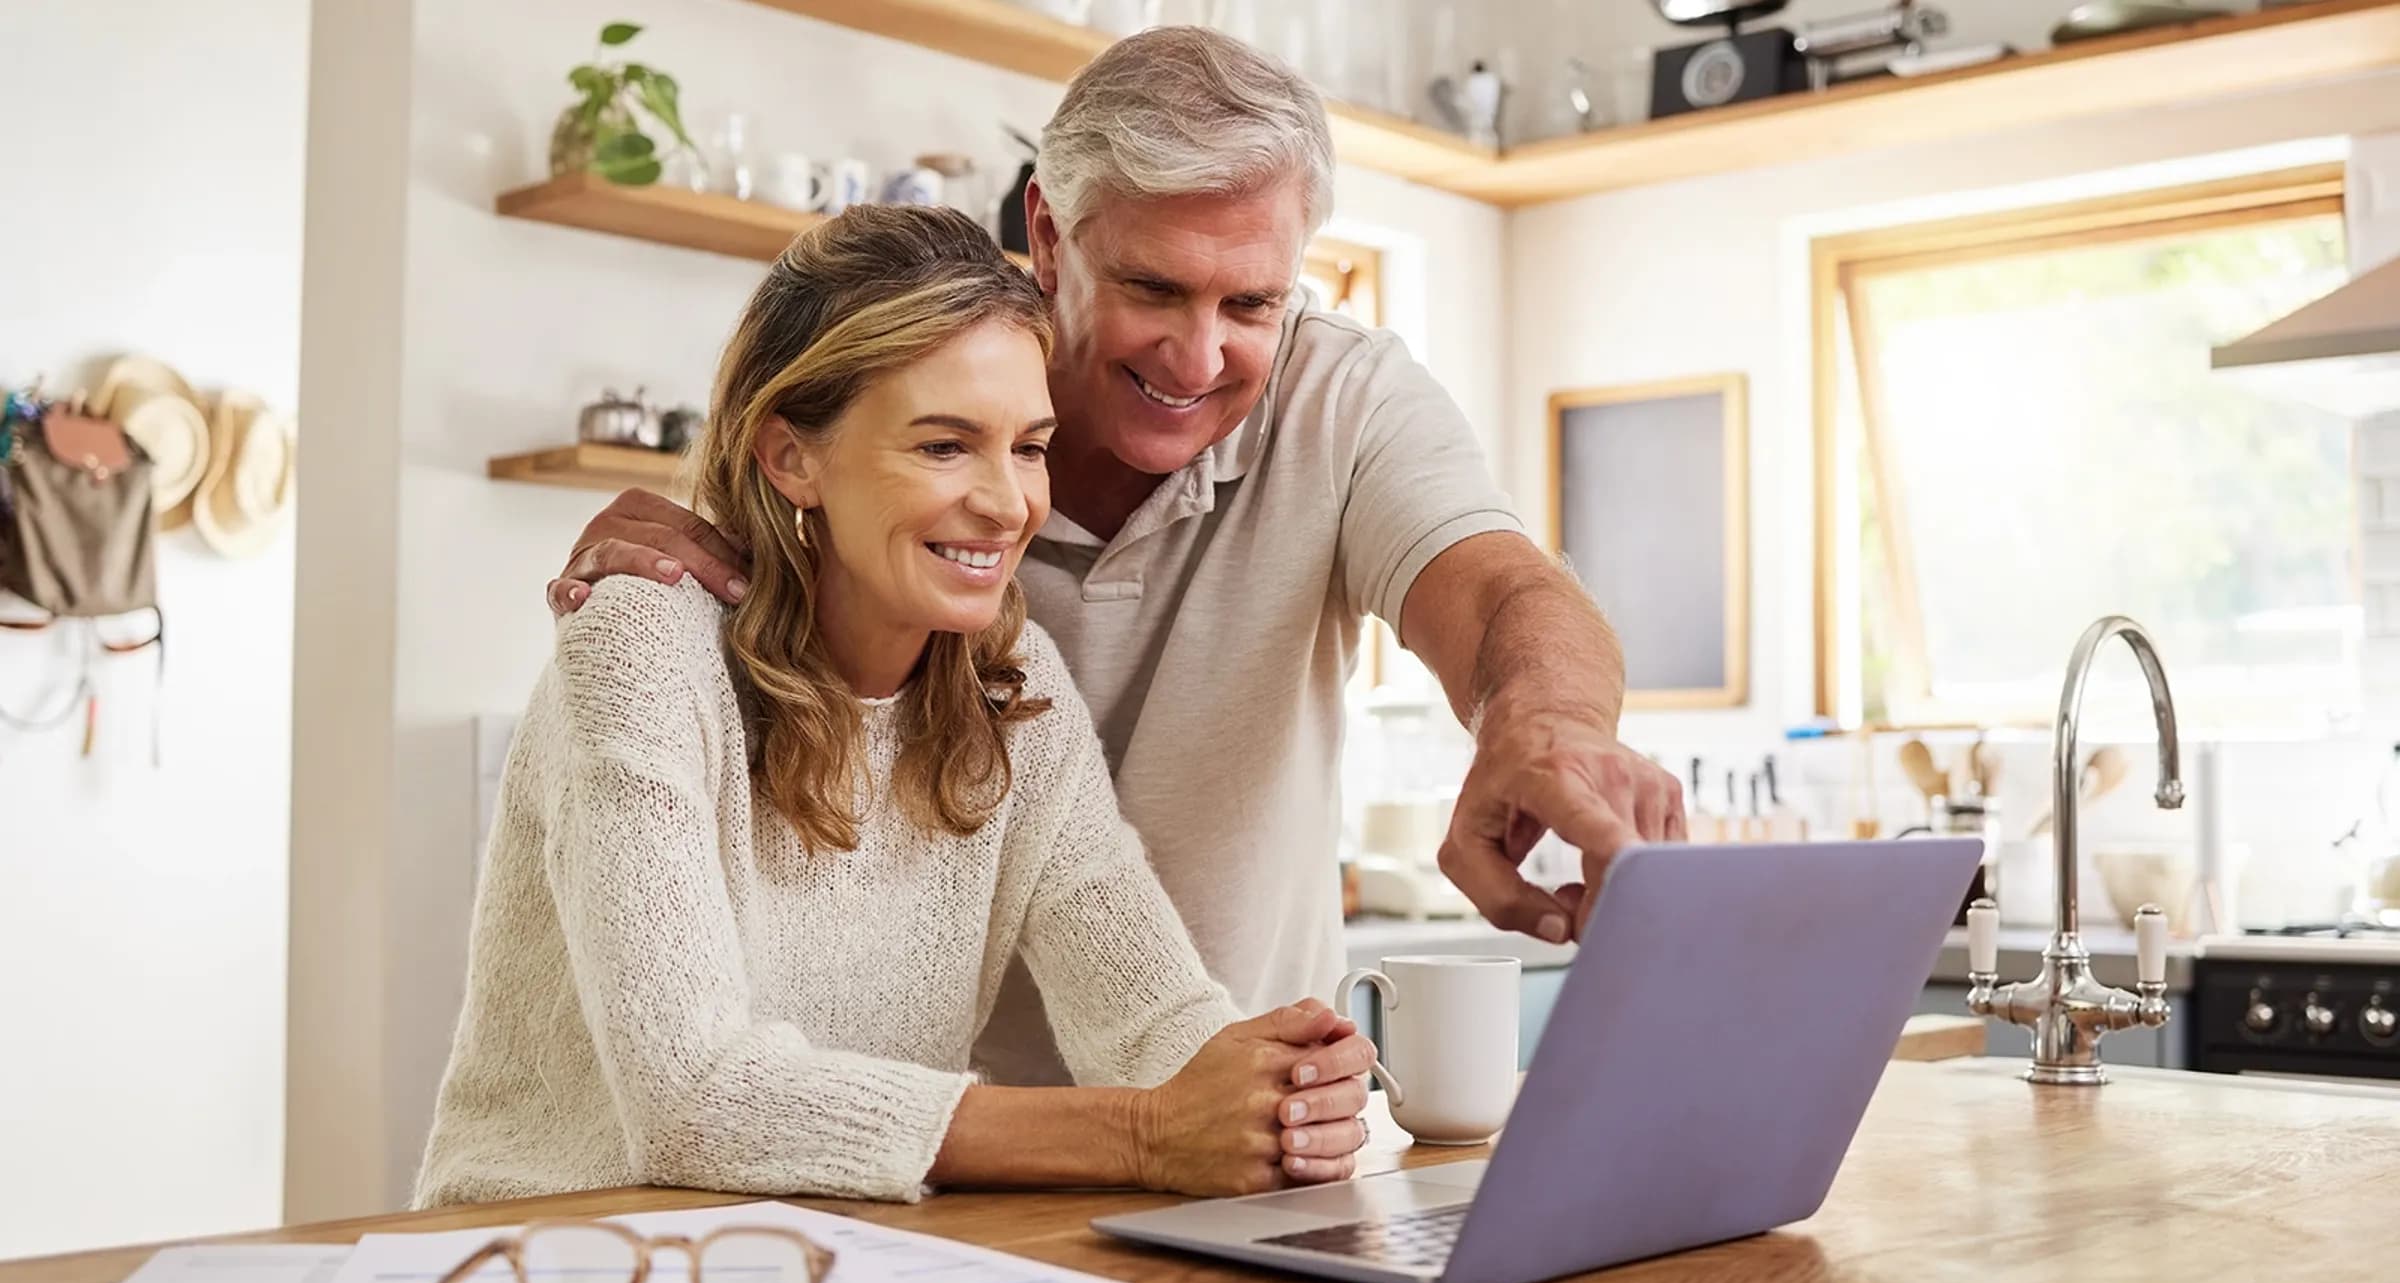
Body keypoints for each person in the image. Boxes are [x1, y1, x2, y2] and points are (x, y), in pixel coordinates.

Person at [547, 27, 1688, 1086]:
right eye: (1154, 287)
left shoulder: (1343, 402)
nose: (1199, 356)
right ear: (1048, 234)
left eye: (1253, 302)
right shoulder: (896, 432)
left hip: (1203, 1119)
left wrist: (1544, 725)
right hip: (909, 1147)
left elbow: (1500, 594)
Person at [414, 206, 1374, 1209]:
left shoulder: (1012, 688)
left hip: (838, 1269)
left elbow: (1151, 1024)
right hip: (549, 1273)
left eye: (1029, 448)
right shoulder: (644, 645)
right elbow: (694, 1097)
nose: (1008, 505)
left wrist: (1278, 1088)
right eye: (945, 446)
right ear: (792, 457)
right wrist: (1146, 1134)